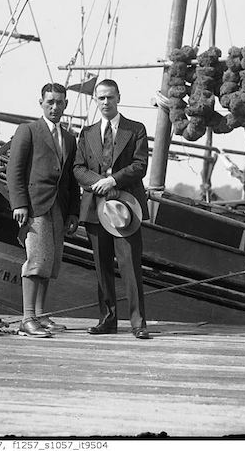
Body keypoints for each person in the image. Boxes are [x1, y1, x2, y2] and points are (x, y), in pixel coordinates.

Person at [73, 79, 151, 340]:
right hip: (96, 208)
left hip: (126, 207)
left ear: (119, 97)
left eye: (110, 97)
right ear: (96, 100)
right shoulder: (87, 133)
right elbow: (78, 168)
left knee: (130, 265)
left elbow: (140, 165)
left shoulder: (135, 130)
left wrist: (113, 180)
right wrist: (98, 183)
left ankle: (138, 322)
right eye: (101, 98)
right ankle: (107, 319)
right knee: (101, 265)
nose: (105, 102)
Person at [7, 82, 80, 337]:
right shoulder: (28, 131)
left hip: (58, 207)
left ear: (66, 105)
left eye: (60, 102)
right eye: (50, 102)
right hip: (35, 207)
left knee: (49, 262)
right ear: (41, 103)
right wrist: (19, 204)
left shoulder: (70, 138)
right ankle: (27, 319)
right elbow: (14, 171)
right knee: (36, 260)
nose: (55, 107)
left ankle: (39, 314)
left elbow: (71, 180)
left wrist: (73, 212)